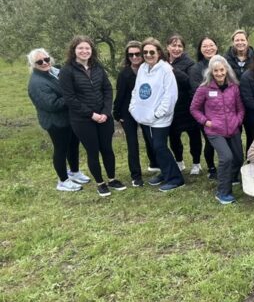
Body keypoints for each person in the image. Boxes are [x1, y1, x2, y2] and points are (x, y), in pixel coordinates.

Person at [58, 35, 126, 197]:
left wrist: (105, 111)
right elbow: (70, 98)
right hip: (82, 120)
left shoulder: (97, 67)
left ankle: (112, 179)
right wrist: (92, 115)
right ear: (74, 50)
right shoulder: (67, 70)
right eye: (80, 48)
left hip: (104, 117)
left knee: (107, 149)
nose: (84, 51)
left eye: (87, 48)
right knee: (93, 151)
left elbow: (107, 90)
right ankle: (100, 183)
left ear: (92, 50)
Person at [27, 48, 89, 191]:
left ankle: (74, 172)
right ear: (33, 64)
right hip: (55, 122)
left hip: (68, 118)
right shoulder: (37, 83)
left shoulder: (54, 72)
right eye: (39, 61)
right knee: (61, 149)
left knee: (73, 145)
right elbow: (52, 104)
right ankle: (63, 181)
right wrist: (71, 96)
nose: (44, 63)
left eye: (46, 59)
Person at [129, 38, 184, 192]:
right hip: (144, 116)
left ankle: (175, 178)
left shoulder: (165, 69)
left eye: (151, 52)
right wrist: (133, 108)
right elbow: (137, 90)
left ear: (159, 53)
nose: (148, 55)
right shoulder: (142, 68)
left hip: (159, 118)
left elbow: (171, 95)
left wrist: (158, 113)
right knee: (154, 147)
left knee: (159, 147)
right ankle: (166, 172)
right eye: (145, 52)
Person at [190, 55, 244, 205]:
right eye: (216, 71)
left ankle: (232, 178)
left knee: (239, 158)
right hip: (215, 131)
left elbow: (240, 108)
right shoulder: (204, 88)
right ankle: (223, 192)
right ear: (211, 72)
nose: (219, 73)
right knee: (226, 158)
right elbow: (194, 109)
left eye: (222, 70)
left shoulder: (234, 87)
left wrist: (237, 121)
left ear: (226, 70)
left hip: (233, 129)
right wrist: (206, 122)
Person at [113, 41, 158, 187]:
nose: (134, 57)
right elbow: (120, 95)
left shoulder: (150, 70)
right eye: (131, 54)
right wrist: (116, 112)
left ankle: (155, 164)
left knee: (151, 139)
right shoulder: (124, 74)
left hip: (146, 110)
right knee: (132, 144)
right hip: (128, 113)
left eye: (137, 54)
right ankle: (136, 175)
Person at [166, 34, 202, 175]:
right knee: (174, 137)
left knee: (194, 136)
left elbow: (188, 81)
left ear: (183, 48)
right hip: (171, 107)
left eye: (179, 46)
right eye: (173, 45)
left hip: (187, 106)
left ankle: (196, 163)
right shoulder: (162, 61)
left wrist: (173, 70)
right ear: (167, 47)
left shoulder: (190, 63)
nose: (176, 48)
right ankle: (179, 161)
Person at [190, 36, 219, 179]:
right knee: (210, 140)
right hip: (205, 112)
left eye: (211, 45)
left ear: (216, 46)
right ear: (200, 50)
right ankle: (212, 168)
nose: (208, 48)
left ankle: (228, 165)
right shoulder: (196, 68)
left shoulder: (223, 63)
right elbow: (196, 91)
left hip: (224, 110)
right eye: (205, 46)